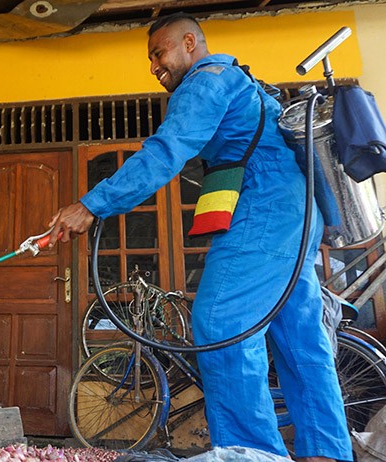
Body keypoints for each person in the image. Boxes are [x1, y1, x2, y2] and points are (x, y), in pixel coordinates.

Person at [48, 13, 353, 462]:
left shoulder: (205, 82)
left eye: (159, 52)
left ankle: (250, 454)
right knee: (300, 338)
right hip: (297, 217)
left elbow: (167, 151)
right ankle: (325, 453)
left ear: (190, 42)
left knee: (221, 323)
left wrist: (91, 204)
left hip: (262, 211)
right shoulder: (245, 81)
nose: (154, 66)